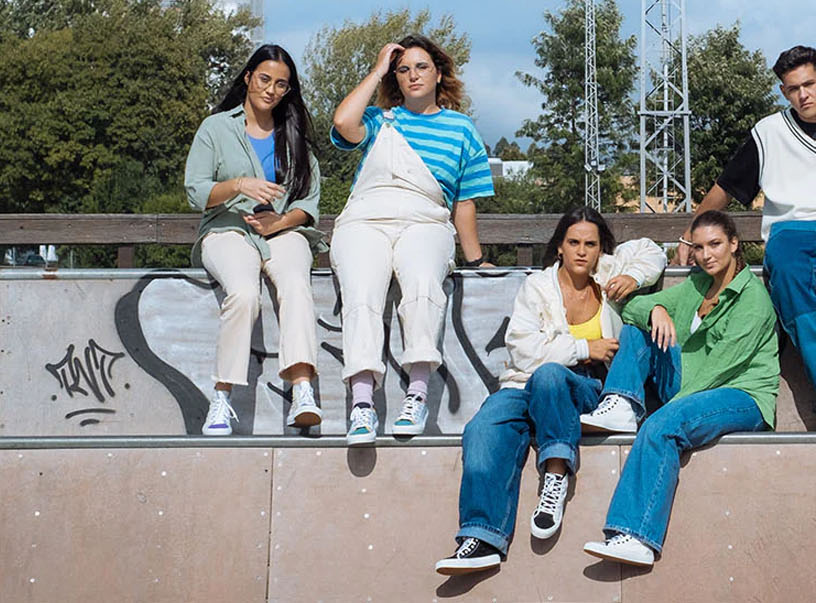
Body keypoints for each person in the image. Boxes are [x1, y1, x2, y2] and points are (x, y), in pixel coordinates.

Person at [435, 207, 666, 574]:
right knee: (482, 430)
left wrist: (633, 276)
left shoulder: (607, 273)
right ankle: (480, 538)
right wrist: (583, 348)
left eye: (590, 244)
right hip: (523, 382)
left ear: (600, 249)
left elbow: (653, 249)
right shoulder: (537, 287)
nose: (581, 251)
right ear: (559, 246)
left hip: (583, 388)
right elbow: (524, 350)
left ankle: (555, 476)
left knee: (551, 378)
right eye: (573, 242)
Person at [671, 45, 816, 432]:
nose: (803, 94)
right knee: (785, 275)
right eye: (792, 88)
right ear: (784, 92)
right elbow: (725, 188)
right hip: (792, 225)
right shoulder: (768, 132)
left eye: (809, 84)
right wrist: (688, 234)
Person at [580, 211, 779, 567]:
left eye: (715, 245)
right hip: (692, 382)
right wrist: (657, 307)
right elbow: (631, 309)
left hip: (740, 394)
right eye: (699, 247)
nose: (706, 255)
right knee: (639, 329)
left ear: (735, 244)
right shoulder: (697, 284)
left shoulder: (753, 301)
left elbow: (719, 370)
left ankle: (638, 537)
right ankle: (621, 403)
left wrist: (666, 412)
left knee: (661, 427)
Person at [329, 35, 495, 445]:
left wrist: (475, 262)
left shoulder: (461, 129)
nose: (412, 75)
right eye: (403, 70)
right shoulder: (380, 120)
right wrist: (377, 68)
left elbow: (465, 204)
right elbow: (342, 123)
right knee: (362, 293)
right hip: (365, 218)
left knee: (422, 284)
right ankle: (362, 404)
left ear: (439, 73)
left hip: (425, 219)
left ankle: (416, 393)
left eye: (421, 67)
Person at [183, 44, 324, 436]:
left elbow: (309, 203)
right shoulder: (216, 128)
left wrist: (281, 223)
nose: (272, 90)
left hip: (282, 231)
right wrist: (239, 185)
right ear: (248, 78)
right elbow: (196, 192)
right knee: (244, 293)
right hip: (227, 228)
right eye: (265, 79)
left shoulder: (294, 136)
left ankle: (302, 392)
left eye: (282, 84)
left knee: (296, 285)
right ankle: (222, 398)